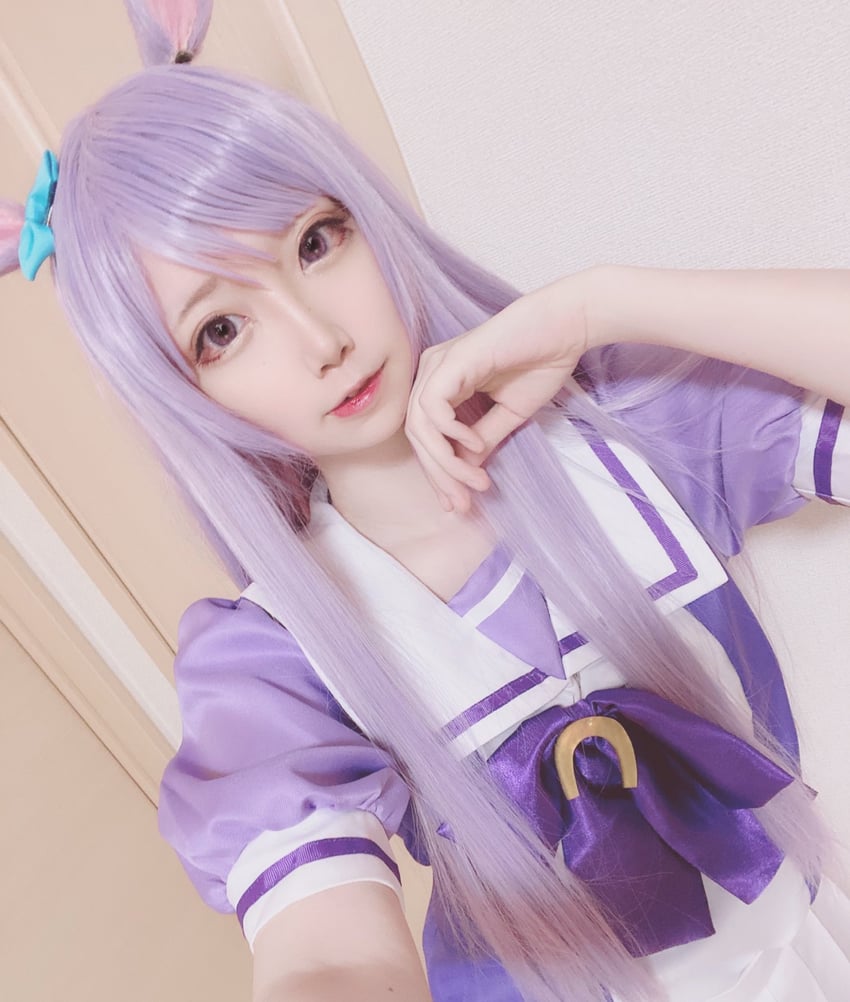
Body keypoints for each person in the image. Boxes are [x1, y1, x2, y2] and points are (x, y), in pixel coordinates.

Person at [2, 2, 848, 1000]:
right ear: (181, 393)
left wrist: (606, 301)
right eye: (221, 330)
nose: (320, 338)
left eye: (316, 242)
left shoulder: (628, 428)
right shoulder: (270, 661)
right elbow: (331, 955)